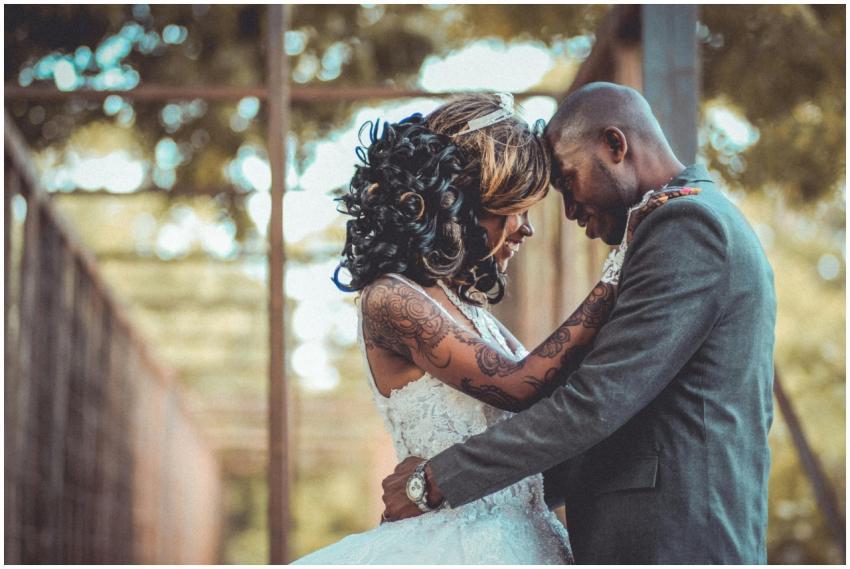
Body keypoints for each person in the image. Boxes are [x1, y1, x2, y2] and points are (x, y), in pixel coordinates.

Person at [380, 82, 777, 564]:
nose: (568, 211)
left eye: (567, 182)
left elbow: (596, 401)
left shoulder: (687, 225)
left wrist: (438, 479)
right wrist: (490, 508)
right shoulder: (685, 221)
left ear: (614, 145)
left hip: (677, 544)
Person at [292, 92, 694, 564]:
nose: (526, 229)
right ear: (461, 201)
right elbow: (518, 385)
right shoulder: (391, 299)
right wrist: (618, 268)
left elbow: (552, 400)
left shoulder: (468, 309)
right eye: (516, 208)